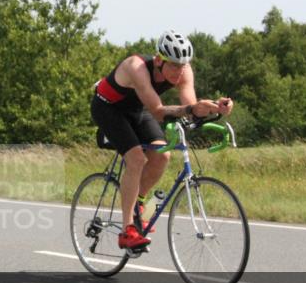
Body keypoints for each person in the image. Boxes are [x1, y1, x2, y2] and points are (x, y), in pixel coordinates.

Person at [91, 30, 234, 250]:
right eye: (174, 65)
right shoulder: (136, 67)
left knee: (162, 154)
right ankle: (127, 230)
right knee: (136, 159)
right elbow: (158, 111)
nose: (180, 71)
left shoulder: (185, 71)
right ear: (159, 60)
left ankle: (139, 204)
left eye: (184, 65)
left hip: (136, 109)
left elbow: (190, 107)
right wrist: (191, 109)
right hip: (108, 108)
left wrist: (213, 107)